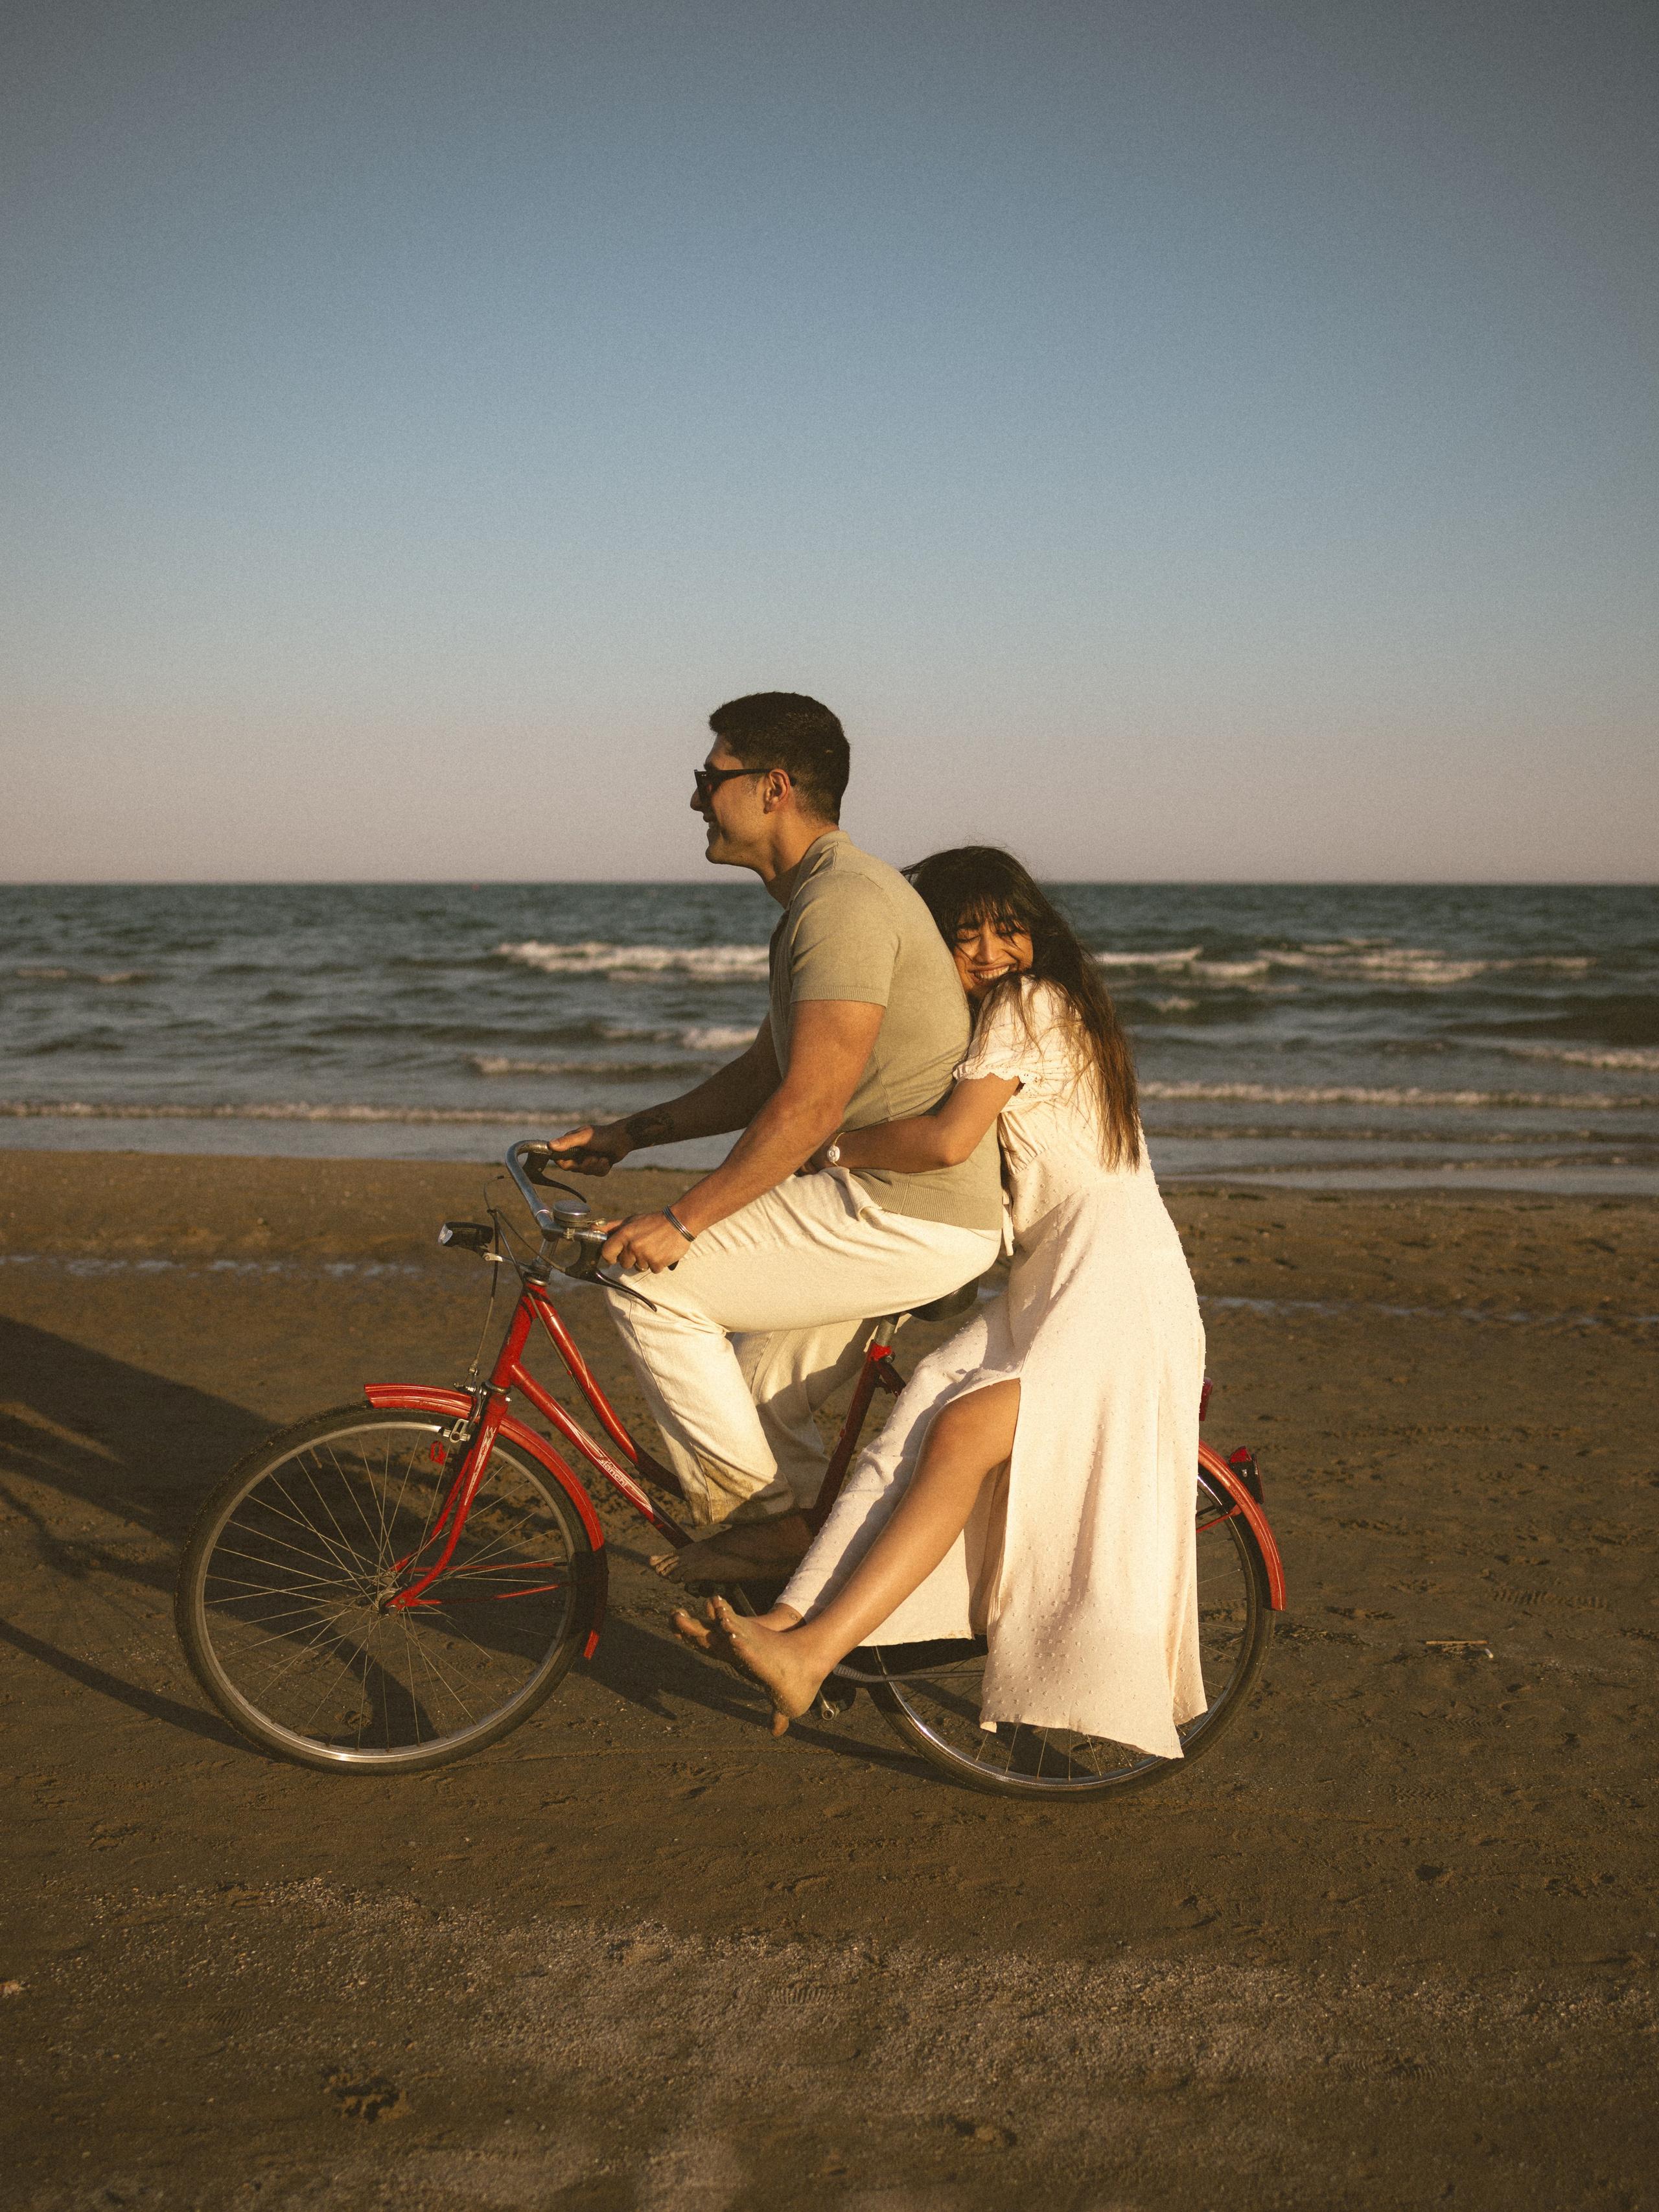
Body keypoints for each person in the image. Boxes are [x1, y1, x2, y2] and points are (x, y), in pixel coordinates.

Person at [673, 847, 1208, 1761]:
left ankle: (812, 1650)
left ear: (1039, 932)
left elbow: (950, 1139)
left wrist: (836, 1149)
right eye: (966, 935)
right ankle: (791, 1622)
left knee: (957, 1431)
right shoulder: (1016, 1018)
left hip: (1114, 1281)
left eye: (1009, 928)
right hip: (1049, 1280)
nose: (992, 951)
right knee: (914, 1422)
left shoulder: (1031, 1003)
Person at [547, 695, 1003, 1578]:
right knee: (754, 1398)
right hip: (894, 1207)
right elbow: (765, 1075)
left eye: (709, 777)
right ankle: (810, 1598)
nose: (695, 798)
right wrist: (628, 1134)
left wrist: (681, 1222)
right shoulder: (820, 900)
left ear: (773, 788)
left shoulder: (843, 902)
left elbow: (811, 1105)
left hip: (903, 1211)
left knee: (645, 1278)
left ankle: (762, 1530)